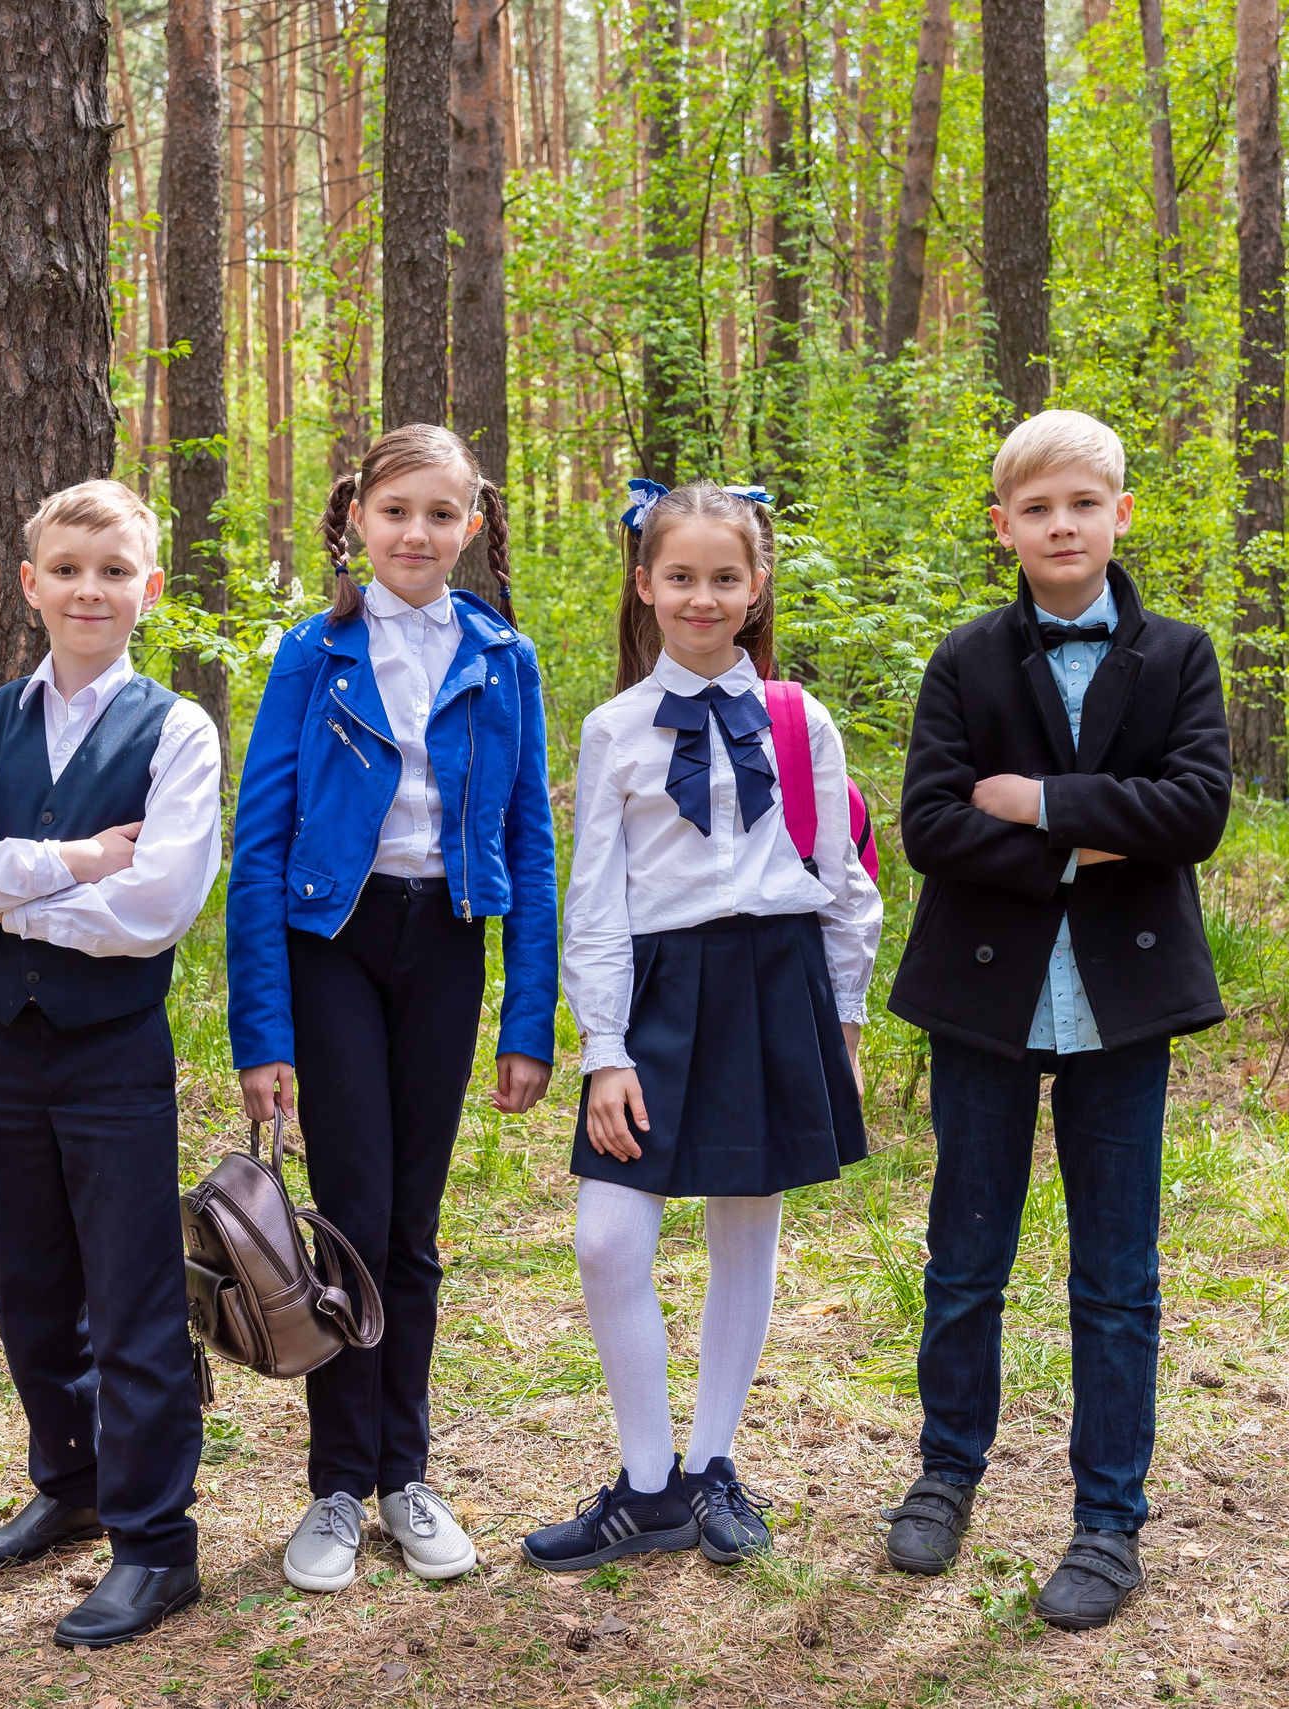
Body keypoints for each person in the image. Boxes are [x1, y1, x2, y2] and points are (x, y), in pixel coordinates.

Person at [877, 410, 1231, 1631]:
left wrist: (1036, 803)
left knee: (1116, 1275)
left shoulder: (1178, 654)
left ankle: (1107, 1520)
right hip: (985, 997)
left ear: (1120, 512)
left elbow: (1195, 810)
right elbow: (929, 826)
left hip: (1123, 1006)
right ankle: (944, 1471)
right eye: (1036, 510)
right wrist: (1100, 838)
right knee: (965, 1257)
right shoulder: (967, 658)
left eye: (1083, 503)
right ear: (1003, 528)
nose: (1062, 525)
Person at [520, 480, 882, 1574]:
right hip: (661, 987)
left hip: (775, 981)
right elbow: (595, 904)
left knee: (744, 1223)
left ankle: (713, 1464)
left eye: (725, 576)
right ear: (645, 584)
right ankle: (645, 1484)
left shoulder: (797, 716)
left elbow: (840, 879)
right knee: (606, 1236)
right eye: (680, 576)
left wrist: (847, 1019)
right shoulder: (613, 728)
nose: (702, 596)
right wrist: (604, 1049)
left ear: (756, 584)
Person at [226, 424, 559, 1595]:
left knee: (410, 1222)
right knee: (348, 1214)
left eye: (442, 513)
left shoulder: (502, 654)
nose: (417, 533)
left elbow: (530, 835)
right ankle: (333, 1485)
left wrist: (530, 1016)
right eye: (396, 511)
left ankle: (404, 1475)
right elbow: (259, 845)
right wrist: (259, 1034)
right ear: (357, 517)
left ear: (474, 524)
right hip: (333, 943)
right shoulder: (311, 654)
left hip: (446, 942)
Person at [0, 479, 220, 1650]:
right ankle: (73, 1480)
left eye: (115, 570)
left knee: (132, 1296)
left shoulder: (177, 730)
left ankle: (155, 1542)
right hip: (2, 1050)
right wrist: (78, 859)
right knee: (29, 1282)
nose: (92, 589)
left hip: (112, 1052)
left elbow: (159, 907)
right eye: (69, 569)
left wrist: (14, 881)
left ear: (150, 588)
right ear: (31, 583)